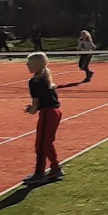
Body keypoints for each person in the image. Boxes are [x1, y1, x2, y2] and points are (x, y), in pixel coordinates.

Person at [24, 52, 64, 185]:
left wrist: (30, 109)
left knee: (41, 144)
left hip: (48, 113)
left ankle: (40, 173)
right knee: (47, 143)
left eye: (29, 63)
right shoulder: (46, 76)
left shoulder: (34, 82)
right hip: (55, 112)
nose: (27, 65)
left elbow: (35, 108)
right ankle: (55, 168)